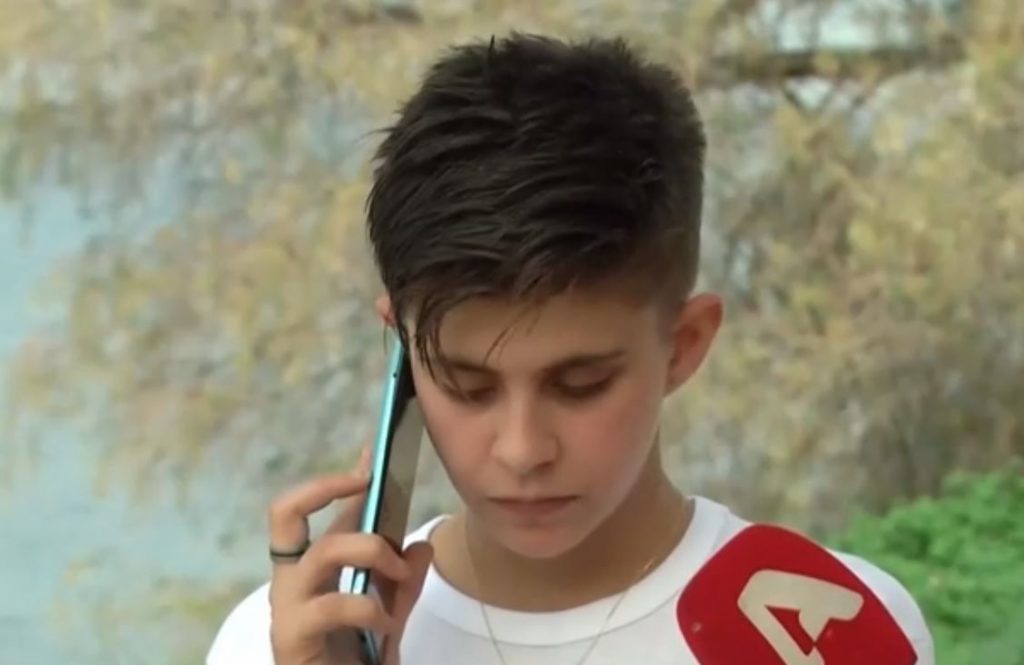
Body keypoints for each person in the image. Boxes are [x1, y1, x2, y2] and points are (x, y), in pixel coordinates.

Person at [205, 32, 935, 665]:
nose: (522, 450)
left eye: (580, 384)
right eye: (466, 385)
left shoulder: (824, 627)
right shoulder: (276, 644)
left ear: (683, 346)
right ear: (402, 353)